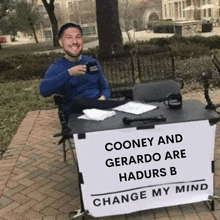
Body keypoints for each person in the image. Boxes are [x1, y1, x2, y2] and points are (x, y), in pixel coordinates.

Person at [39, 23, 113, 120]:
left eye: (78, 37)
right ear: (61, 42)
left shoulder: (92, 62)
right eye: (69, 37)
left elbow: (105, 88)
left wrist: (102, 99)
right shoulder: (57, 67)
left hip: (98, 110)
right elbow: (44, 91)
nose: (75, 42)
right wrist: (69, 73)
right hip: (75, 115)